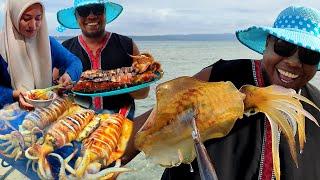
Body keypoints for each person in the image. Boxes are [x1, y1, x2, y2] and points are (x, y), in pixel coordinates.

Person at [122, 6, 320, 180]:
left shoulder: (316, 106)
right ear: (267, 43)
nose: (293, 62)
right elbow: (157, 120)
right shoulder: (220, 75)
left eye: (308, 55)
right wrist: (105, 156)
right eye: (283, 46)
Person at [56, 0, 149, 119]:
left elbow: (144, 93)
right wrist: (60, 89)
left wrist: (125, 82)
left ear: (105, 13)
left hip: (120, 122)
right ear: (76, 17)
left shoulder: (127, 45)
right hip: (77, 124)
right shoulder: (65, 49)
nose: (91, 16)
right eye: (84, 11)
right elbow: (54, 90)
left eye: (97, 9)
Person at [0, 0, 83, 110]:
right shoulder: (2, 47)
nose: (33, 25)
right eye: (26, 18)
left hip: (45, 113)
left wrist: (69, 75)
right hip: (9, 116)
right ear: (13, 16)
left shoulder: (47, 44)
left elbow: (75, 62)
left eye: (38, 18)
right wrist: (14, 94)